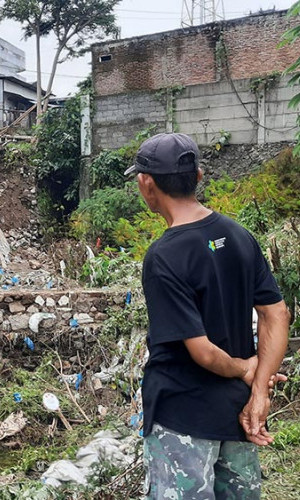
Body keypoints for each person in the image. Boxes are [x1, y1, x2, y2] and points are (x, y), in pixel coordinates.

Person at [126, 133, 290, 499]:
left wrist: (246, 369)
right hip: (236, 413)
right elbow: (276, 313)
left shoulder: (164, 257)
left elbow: (201, 351)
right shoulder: (238, 235)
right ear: (198, 177)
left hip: (182, 416)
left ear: (146, 183)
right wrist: (258, 388)